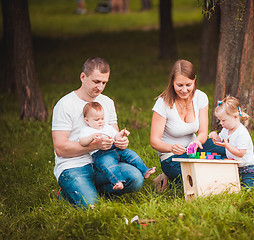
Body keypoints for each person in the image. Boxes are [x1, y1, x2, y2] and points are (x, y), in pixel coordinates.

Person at [52, 57, 144, 208]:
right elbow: (61, 149)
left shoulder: (107, 102)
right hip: (74, 167)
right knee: (91, 206)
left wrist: (121, 141)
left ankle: (89, 190)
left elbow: (114, 133)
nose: (100, 87)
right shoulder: (65, 104)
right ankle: (69, 192)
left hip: (103, 163)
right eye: (96, 82)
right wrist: (96, 145)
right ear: (83, 77)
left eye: (104, 83)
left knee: (136, 178)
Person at [150, 59, 225, 191]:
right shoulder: (162, 103)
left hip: (194, 150)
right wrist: (172, 148)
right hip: (172, 157)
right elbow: (154, 141)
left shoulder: (201, 97)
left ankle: (177, 181)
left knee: (225, 149)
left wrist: (195, 142)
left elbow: (203, 132)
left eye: (188, 85)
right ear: (172, 82)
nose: (184, 90)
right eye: (179, 85)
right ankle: (168, 177)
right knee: (197, 174)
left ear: (194, 80)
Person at [79, 102, 156, 190]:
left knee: (132, 155)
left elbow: (116, 136)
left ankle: (145, 170)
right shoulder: (87, 131)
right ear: (87, 120)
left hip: (116, 148)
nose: (100, 121)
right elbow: (82, 142)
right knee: (110, 166)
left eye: (102, 118)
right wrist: (91, 137)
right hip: (101, 154)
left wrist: (121, 133)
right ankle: (117, 182)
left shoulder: (107, 127)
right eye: (96, 120)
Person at [208, 95, 254, 189]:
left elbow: (241, 153)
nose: (221, 123)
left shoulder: (241, 133)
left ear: (235, 117)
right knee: (231, 188)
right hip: (234, 167)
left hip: (247, 168)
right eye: (220, 120)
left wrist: (227, 146)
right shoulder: (226, 130)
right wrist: (214, 136)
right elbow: (220, 139)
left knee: (248, 190)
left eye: (223, 120)